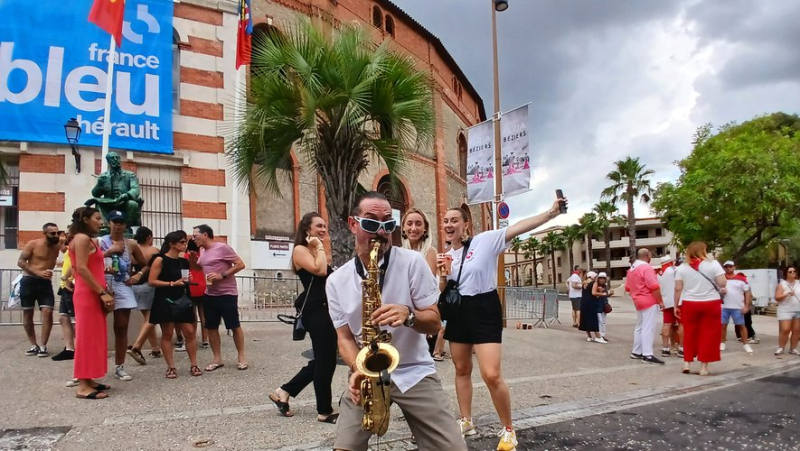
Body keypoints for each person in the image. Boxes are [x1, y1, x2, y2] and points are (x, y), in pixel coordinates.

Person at [327, 191, 466, 451]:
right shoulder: (336, 281)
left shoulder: (413, 262)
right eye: (370, 223)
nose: (381, 232)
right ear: (352, 224)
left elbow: (435, 322)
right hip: (367, 372)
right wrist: (358, 367)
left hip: (414, 370)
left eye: (388, 224)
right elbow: (344, 338)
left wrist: (409, 315)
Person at [438, 195, 565, 450]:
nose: (449, 225)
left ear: (466, 225)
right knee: (461, 368)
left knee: (491, 374)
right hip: (459, 310)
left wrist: (551, 214)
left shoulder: (484, 241)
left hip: (484, 307)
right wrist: (443, 273)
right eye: (445, 221)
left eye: (454, 220)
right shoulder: (446, 255)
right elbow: (443, 290)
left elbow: (519, 227)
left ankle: (508, 429)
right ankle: (466, 420)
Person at [269, 212, 338, 423]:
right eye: (319, 226)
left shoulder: (316, 250)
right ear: (307, 230)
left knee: (323, 359)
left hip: (326, 309)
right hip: (315, 309)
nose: (323, 229)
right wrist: (318, 247)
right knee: (325, 361)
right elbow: (319, 270)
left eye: (325, 226)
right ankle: (324, 411)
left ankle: (284, 391)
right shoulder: (301, 250)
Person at [69, 206, 114, 399]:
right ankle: (82, 385)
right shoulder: (82, 238)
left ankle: (88, 378)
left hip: (91, 292)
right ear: (86, 220)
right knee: (87, 337)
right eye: (97, 218)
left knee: (94, 336)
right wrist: (102, 292)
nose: (101, 222)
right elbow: (81, 268)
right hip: (88, 294)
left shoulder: (86, 240)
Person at [190, 224, 248, 371]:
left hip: (227, 293)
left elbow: (240, 264)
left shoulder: (222, 247)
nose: (193, 238)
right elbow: (199, 267)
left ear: (205, 235)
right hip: (209, 293)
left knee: (234, 325)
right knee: (211, 327)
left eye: (195, 235)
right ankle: (217, 359)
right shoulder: (202, 251)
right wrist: (192, 260)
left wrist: (222, 275)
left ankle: (241, 357)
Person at [99, 210, 147, 381]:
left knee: (121, 326)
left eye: (121, 222)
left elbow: (145, 264)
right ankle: (88, 367)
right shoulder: (99, 242)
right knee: (94, 327)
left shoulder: (131, 244)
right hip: (102, 284)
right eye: (114, 221)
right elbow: (89, 261)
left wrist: (138, 275)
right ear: (109, 223)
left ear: (125, 224)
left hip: (122, 284)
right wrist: (108, 252)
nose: (118, 225)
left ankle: (119, 366)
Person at [148, 231, 201, 378]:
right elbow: (152, 281)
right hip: (165, 297)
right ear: (172, 243)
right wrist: (172, 283)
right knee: (167, 332)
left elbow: (191, 274)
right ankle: (171, 366)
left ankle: (194, 364)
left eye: (186, 242)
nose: (185, 245)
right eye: (182, 242)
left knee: (189, 331)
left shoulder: (183, 260)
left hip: (182, 296)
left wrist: (189, 274)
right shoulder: (160, 260)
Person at [674, 241, 727, 376]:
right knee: (708, 334)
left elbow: (678, 289)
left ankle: (687, 362)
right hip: (711, 302)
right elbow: (722, 283)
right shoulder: (713, 264)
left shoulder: (682, 267)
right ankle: (703, 367)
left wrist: (676, 305)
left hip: (690, 302)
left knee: (689, 333)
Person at [400, 208, 446, 361]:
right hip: (404, 310)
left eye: (418, 224)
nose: (414, 228)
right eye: (410, 224)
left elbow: (427, 289)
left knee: (422, 359)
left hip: (424, 311)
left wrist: (425, 319)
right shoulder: (398, 252)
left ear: (425, 228)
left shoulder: (430, 252)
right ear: (404, 228)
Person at [17, 222, 62, 357]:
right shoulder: (33, 244)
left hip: (45, 283)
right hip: (29, 280)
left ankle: (43, 345)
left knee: (48, 312)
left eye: (57, 232)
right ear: (45, 234)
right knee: (28, 313)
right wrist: (38, 272)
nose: (56, 235)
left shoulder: (58, 244)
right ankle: (33, 344)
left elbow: (71, 248)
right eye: (52, 233)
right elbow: (20, 262)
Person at [127, 227, 162, 364]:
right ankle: (137, 346)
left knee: (147, 318)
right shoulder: (153, 250)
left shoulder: (132, 250)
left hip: (134, 286)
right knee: (151, 318)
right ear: (149, 237)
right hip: (149, 285)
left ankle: (155, 348)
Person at [625, 248, 666, 364]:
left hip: (638, 300)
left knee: (640, 326)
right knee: (648, 327)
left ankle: (636, 351)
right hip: (649, 300)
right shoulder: (646, 268)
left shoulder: (632, 269)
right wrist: (660, 301)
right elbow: (654, 287)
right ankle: (647, 354)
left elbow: (627, 288)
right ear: (648, 255)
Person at [720, 261, 754, 355]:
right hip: (724, 306)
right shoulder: (721, 279)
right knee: (723, 325)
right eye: (726, 266)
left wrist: (747, 306)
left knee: (741, 326)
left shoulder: (741, 279)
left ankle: (746, 344)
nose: (728, 268)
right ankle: (722, 342)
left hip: (737, 307)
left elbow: (748, 293)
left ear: (734, 267)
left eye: (730, 266)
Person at [52, 232, 76, 362]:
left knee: (75, 320)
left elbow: (75, 265)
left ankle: (79, 349)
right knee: (63, 317)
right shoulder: (68, 249)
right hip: (64, 287)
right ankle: (69, 349)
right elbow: (61, 247)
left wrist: (67, 278)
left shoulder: (75, 247)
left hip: (71, 285)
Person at [186, 238, 209, 348]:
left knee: (193, 315)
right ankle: (205, 339)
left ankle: (193, 338)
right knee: (203, 315)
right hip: (203, 286)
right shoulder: (203, 256)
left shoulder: (186, 257)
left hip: (191, 286)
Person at [658, 255, 683, 358]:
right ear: (671, 262)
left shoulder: (659, 274)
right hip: (678, 301)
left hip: (666, 302)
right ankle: (682, 348)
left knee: (667, 324)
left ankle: (665, 348)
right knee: (682, 324)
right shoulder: (674, 269)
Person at [774, 265, 800, 356]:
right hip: (785, 310)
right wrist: (786, 294)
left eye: (794, 271)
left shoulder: (799, 283)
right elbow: (777, 297)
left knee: (796, 330)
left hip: (798, 310)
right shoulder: (782, 284)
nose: (793, 273)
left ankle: (793, 349)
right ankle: (781, 348)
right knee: (785, 329)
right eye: (790, 272)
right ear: (786, 273)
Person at [579, 271, 602, 343]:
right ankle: (598, 336)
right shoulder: (594, 283)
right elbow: (594, 293)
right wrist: (601, 293)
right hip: (591, 303)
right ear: (592, 277)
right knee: (593, 319)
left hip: (583, 302)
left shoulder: (584, 283)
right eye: (595, 276)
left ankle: (589, 336)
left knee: (585, 319)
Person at [592, 272, 613, 342]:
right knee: (600, 322)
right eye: (601, 278)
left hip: (604, 305)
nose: (602, 280)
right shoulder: (595, 285)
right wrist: (600, 292)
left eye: (603, 278)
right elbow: (594, 295)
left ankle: (603, 335)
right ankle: (599, 336)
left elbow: (605, 295)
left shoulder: (605, 286)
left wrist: (610, 294)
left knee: (603, 322)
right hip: (597, 305)